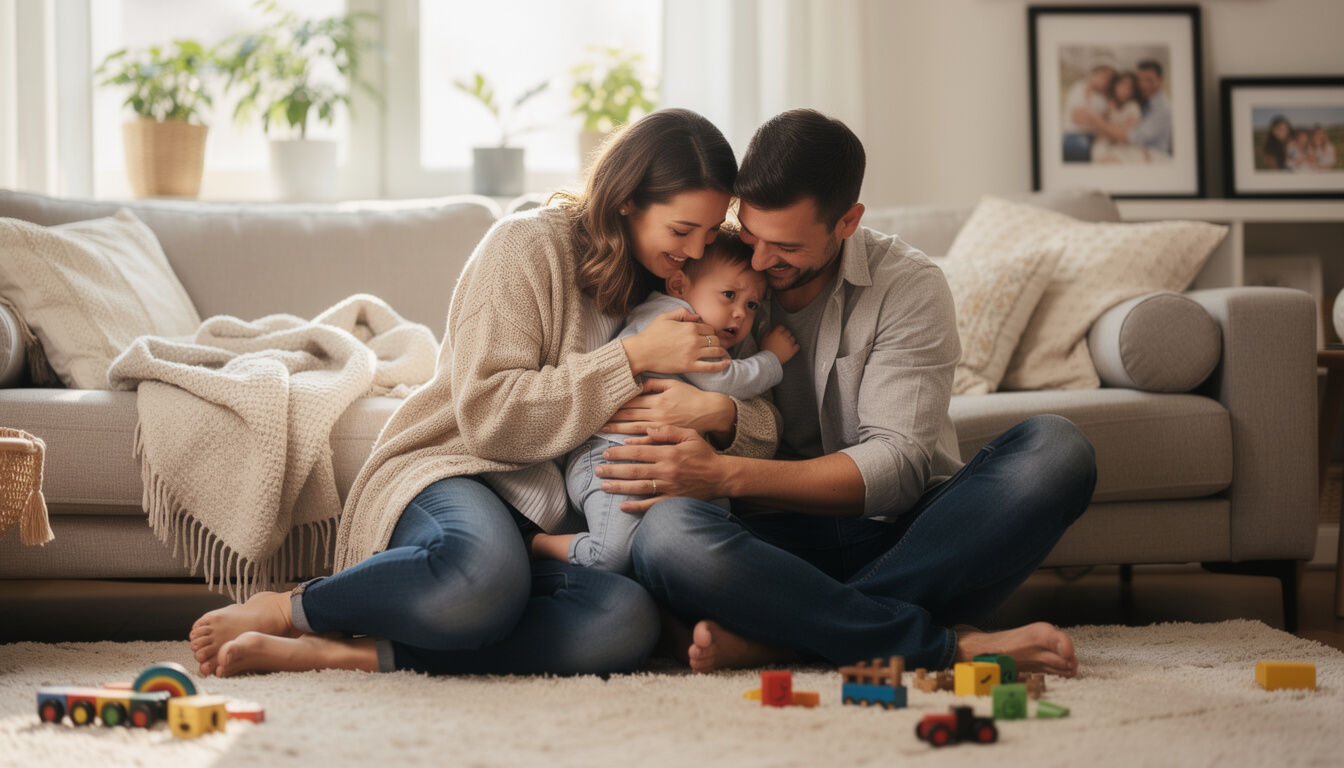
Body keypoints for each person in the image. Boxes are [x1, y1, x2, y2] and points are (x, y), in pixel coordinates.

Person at [185, 108, 782, 678]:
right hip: (460, 472)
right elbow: (488, 418)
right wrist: (628, 359)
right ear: (626, 199)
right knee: (479, 578)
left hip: (558, 530)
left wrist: (722, 413)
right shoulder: (526, 247)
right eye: (683, 230)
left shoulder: (693, 283)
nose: (699, 250)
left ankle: (345, 656)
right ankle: (292, 609)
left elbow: (763, 418)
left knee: (622, 622)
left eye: (709, 232)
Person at [599, 109, 1097, 675]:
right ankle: (934, 642)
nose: (760, 261)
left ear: (848, 221)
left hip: (901, 535)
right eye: (751, 234)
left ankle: (790, 639)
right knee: (666, 537)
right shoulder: (715, 262)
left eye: (784, 245)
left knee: (1058, 451)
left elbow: (898, 467)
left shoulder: (907, 286)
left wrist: (723, 474)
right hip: (763, 542)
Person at [531, 233, 799, 573]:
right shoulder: (679, 322)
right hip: (610, 460)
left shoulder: (701, 323)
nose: (739, 314)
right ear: (678, 285)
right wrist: (773, 358)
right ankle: (538, 544)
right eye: (729, 295)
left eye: (752, 305)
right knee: (610, 557)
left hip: (660, 461)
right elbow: (726, 380)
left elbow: (757, 420)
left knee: (717, 514)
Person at [1080, 60, 1172, 158]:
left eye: (1149, 80)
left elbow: (1130, 137)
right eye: (1141, 80)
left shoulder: (1162, 109)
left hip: (1151, 153)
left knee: (1109, 158)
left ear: (1160, 80)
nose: (1143, 85)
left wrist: (1096, 120)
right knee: (1096, 150)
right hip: (1117, 143)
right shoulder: (1115, 102)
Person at [1061, 64, 1114, 163]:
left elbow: (1106, 119)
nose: (1107, 82)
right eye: (1105, 77)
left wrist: (1093, 119)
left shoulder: (1102, 97)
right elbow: (1077, 117)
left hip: (1094, 138)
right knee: (1079, 149)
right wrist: (1101, 123)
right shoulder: (1079, 88)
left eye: (1110, 79)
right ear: (1095, 74)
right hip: (1075, 134)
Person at [1091, 71, 1142, 164]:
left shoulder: (1133, 107)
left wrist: (1109, 130)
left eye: (1129, 87)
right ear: (1115, 86)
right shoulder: (1108, 103)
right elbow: (1099, 130)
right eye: (1122, 84)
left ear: (1133, 91)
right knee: (1098, 151)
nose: (1125, 90)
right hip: (1105, 143)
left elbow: (1126, 132)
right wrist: (1108, 113)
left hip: (1124, 146)